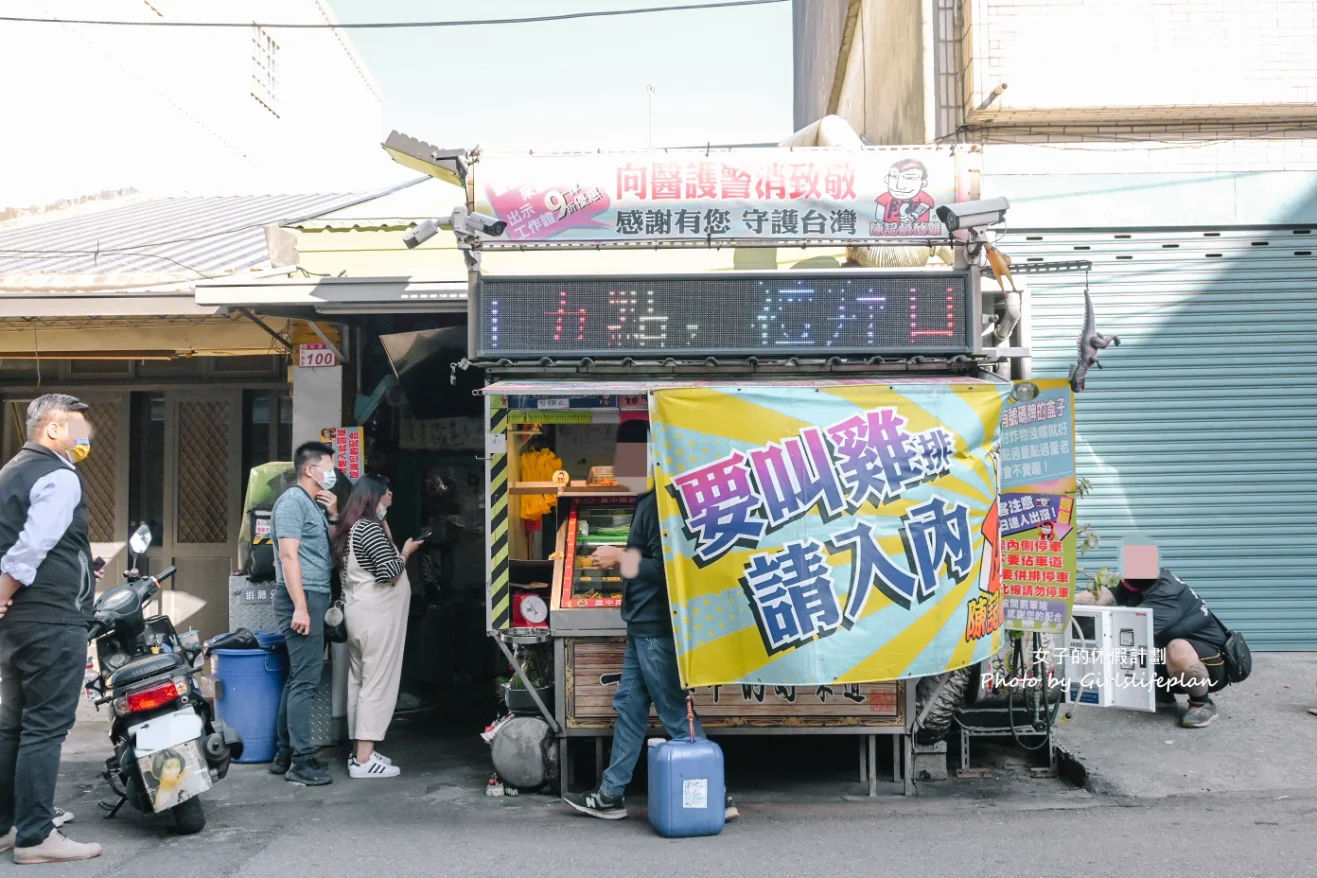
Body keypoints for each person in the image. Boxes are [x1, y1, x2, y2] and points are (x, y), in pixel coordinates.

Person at [563, 421, 737, 822]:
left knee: (676, 714)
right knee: (630, 707)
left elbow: (669, 568)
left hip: (656, 628)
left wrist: (617, 559)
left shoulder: (659, 503)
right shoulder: (647, 501)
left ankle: (718, 796)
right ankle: (611, 794)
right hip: (642, 626)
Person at [0, 394, 104, 863]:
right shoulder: (59, 475)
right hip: (52, 618)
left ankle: (7, 827)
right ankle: (37, 838)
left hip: (20, 621)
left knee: (13, 728)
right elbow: (30, 546)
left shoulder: (10, 473)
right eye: (80, 427)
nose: (87, 437)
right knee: (44, 728)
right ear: (55, 430)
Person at [1075, 535, 1229, 728]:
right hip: (1176, 662)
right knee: (1145, 645)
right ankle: (1162, 695)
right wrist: (1059, 602)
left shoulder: (1167, 592)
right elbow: (1101, 596)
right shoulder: (1137, 581)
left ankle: (1202, 704)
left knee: (1172, 646)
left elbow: (1131, 632)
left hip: (1212, 664)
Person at [330, 475, 422, 780]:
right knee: (376, 685)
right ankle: (366, 760)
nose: (389, 501)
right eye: (387, 497)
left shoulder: (353, 528)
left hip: (360, 617)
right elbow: (389, 571)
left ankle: (360, 753)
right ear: (374, 498)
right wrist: (407, 550)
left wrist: (387, 528)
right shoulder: (367, 528)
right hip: (376, 618)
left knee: (359, 683)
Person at [270, 442, 340, 785]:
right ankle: (302, 760)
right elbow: (288, 557)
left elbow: (320, 547)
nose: (333, 470)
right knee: (306, 681)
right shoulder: (292, 502)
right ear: (309, 469)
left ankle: (284, 754)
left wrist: (333, 514)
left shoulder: (311, 503)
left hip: (312, 595)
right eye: (328, 464)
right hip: (303, 597)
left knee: (298, 677)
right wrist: (300, 606)